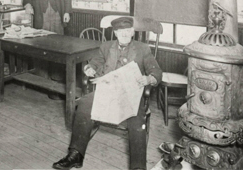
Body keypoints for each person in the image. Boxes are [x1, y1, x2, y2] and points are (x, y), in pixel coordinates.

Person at [52, 17, 162, 170]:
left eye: (128, 31)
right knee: (84, 103)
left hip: (130, 94)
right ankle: (76, 154)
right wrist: (89, 68)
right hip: (107, 91)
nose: (124, 34)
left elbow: (156, 71)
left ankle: (138, 167)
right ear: (115, 33)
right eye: (120, 31)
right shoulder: (106, 46)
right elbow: (95, 63)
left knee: (137, 117)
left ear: (132, 32)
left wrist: (148, 79)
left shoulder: (143, 49)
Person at [23, 0, 72, 99]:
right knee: (42, 49)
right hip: (41, 18)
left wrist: (67, 12)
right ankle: (43, 82)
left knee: (58, 49)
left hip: (57, 16)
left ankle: (56, 86)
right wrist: (27, 4)